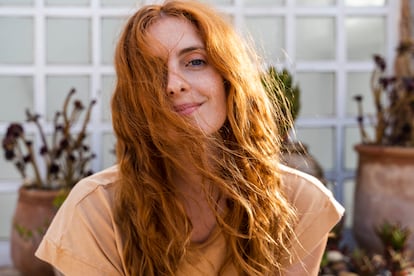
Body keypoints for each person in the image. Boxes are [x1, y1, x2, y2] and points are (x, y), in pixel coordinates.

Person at [35, 0, 344, 275]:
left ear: (227, 77)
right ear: (134, 100)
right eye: (152, 71)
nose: (174, 85)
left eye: (195, 61)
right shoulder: (94, 211)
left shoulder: (299, 201)